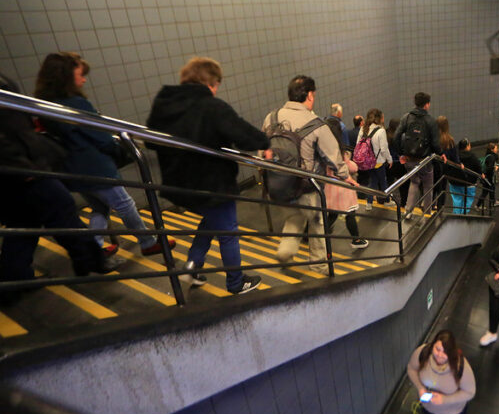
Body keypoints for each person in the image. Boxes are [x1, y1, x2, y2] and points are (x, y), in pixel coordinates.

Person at [34, 53, 174, 258]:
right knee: (125, 204)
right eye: (80, 75)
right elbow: (101, 137)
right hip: (94, 167)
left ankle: (95, 247)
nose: (84, 80)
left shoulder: (44, 104)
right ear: (66, 77)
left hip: (71, 168)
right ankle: (148, 242)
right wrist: (120, 150)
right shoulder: (76, 104)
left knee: (100, 207)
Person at [147, 57, 268, 294]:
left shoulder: (165, 104)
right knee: (228, 232)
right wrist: (264, 142)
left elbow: (152, 141)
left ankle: (193, 265)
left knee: (211, 220)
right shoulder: (212, 106)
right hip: (212, 185)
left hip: (179, 185)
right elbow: (246, 136)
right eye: (216, 85)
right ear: (211, 83)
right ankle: (236, 282)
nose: (216, 91)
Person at [0, 75, 123, 284]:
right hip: (23, 169)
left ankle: (14, 280)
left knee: (23, 223)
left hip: (16, 171)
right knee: (62, 207)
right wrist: (22, 166)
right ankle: (92, 260)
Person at [262, 75, 355, 275]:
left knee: (294, 217)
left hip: (279, 184)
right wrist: (345, 176)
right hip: (308, 188)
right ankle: (319, 265)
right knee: (317, 224)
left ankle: (285, 252)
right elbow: (333, 156)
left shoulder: (271, 118)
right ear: (310, 95)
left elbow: (263, 150)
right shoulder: (316, 124)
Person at [407, 330, 476, 414]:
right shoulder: (422, 353)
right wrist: (420, 388)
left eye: (445, 352)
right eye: (437, 349)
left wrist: (445, 399)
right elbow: (411, 369)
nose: (440, 355)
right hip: (428, 409)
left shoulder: (461, 367)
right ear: (432, 345)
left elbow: (470, 392)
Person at [394, 92, 442, 220]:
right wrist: (441, 154)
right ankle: (427, 212)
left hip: (409, 158)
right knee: (428, 186)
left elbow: (396, 136)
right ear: (426, 105)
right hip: (425, 160)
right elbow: (435, 143)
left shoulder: (406, 117)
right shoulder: (430, 121)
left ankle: (408, 211)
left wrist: (401, 154)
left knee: (414, 182)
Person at [325, 129, 368, 249]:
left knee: (332, 214)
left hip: (329, 186)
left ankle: (319, 235)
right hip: (342, 187)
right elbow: (352, 168)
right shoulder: (340, 151)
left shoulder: (324, 148)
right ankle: (356, 240)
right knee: (350, 214)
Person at [356, 108, 392, 210]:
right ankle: (387, 201)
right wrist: (390, 160)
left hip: (367, 162)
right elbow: (384, 149)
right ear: (379, 118)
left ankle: (369, 203)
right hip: (378, 161)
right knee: (383, 181)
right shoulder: (381, 131)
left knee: (373, 181)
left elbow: (358, 144)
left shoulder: (363, 129)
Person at [450, 139, 482, 215]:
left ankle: (456, 214)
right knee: (468, 200)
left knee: (456, 199)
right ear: (467, 146)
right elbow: (478, 168)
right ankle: (464, 214)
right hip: (469, 183)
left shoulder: (455, 155)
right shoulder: (473, 156)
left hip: (455, 182)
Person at [436, 116, 459, 211]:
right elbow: (455, 157)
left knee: (432, 186)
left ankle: (430, 206)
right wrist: (459, 164)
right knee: (442, 189)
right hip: (444, 169)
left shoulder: (433, 138)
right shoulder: (450, 140)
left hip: (433, 167)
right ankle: (440, 208)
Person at [386, 118, 409, 207]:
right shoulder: (400, 137)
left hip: (389, 163)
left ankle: (385, 199)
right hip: (399, 164)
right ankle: (403, 202)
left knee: (388, 183)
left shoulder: (386, 135)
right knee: (404, 184)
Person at [476, 143, 499, 209]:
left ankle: (492, 202)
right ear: (492, 149)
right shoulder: (491, 157)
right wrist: (494, 168)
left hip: (487, 177)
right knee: (486, 191)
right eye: (496, 148)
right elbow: (489, 168)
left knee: (490, 189)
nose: (497, 149)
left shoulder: (489, 155)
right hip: (488, 177)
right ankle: (478, 205)